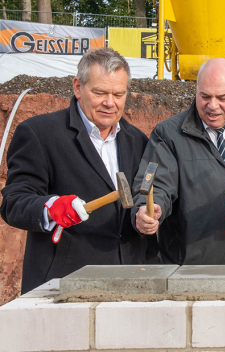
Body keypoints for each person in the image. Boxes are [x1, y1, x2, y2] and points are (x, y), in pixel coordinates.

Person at [0, 48, 149, 294]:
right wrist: (51, 206)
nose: (110, 102)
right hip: (63, 285)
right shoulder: (40, 133)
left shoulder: (138, 140)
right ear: (78, 87)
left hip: (127, 281)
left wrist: (146, 215)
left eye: (118, 94)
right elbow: (13, 203)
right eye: (100, 92)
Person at [132, 58, 225, 265]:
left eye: (221, 97)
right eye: (205, 96)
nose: (212, 106)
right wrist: (149, 208)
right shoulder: (169, 134)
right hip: (190, 267)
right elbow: (156, 184)